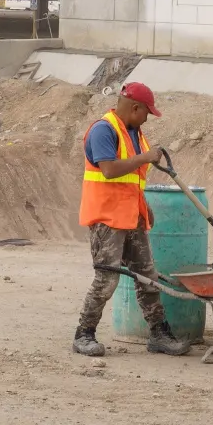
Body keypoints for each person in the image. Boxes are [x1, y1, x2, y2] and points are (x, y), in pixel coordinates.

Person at [72, 81, 194, 358]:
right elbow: (109, 170)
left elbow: (131, 181)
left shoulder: (134, 133)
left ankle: (159, 333)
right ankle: (84, 334)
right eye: (147, 113)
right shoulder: (104, 130)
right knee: (107, 279)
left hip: (131, 216)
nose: (148, 119)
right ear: (135, 108)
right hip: (107, 218)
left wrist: (143, 206)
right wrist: (145, 158)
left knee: (147, 277)